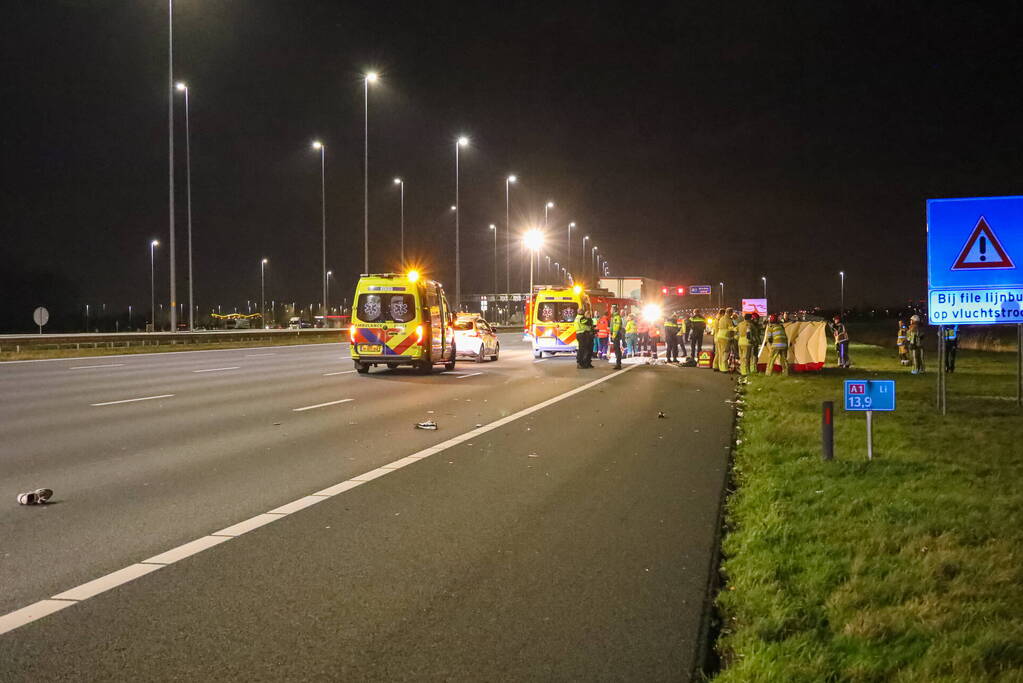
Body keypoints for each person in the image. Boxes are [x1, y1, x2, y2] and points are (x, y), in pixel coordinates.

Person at [713, 308, 734, 372]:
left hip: (718, 336)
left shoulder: (720, 319)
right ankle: (724, 368)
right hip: (725, 337)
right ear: (730, 313)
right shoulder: (728, 319)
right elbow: (731, 329)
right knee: (725, 353)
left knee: (719, 353)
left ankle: (716, 366)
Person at [610, 304, 625, 369]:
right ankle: (618, 363)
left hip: (616, 335)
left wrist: (613, 335)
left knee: (617, 349)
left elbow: (616, 327)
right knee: (616, 349)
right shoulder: (614, 317)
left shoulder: (616, 317)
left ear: (613, 310)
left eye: (611, 309)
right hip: (615, 335)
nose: (610, 310)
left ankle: (618, 364)